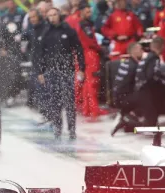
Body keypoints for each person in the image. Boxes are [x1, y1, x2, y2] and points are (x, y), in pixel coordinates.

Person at [34, 7, 85, 139]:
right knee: (54, 102)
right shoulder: (45, 33)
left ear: (59, 15)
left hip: (67, 70)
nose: (52, 17)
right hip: (51, 71)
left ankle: (72, 129)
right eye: (50, 15)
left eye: (55, 15)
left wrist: (81, 68)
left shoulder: (68, 30)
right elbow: (39, 53)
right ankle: (57, 128)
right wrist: (40, 71)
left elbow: (78, 49)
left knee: (69, 102)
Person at [74, 2, 109, 120]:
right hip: (89, 54)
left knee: (86, 83)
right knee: (92, 82)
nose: (90, 13)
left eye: (90, 11)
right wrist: (101, 50)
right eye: (87, 11)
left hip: (82, 54)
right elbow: (91, 42)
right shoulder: (85, 25)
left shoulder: (81, 24)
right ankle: (93, 110)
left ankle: (87, 109)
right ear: (82, 11)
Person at [110, 42, 145, 135]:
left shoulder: (126, 62)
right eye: (140, 49)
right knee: (147, 96)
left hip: (117, 97)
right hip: (123, 99)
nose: (142, 51)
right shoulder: (134, 66)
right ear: (134, 52)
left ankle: (128, 122)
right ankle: (125, 119)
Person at [134, 36, 165, 126]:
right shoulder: (154, 58)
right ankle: (127, 124)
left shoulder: (147, 57)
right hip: (147, 92)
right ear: (162, 47)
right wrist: (164, 83)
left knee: (150, 121)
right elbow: (151, 76)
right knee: (150, 123)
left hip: (140, 90)